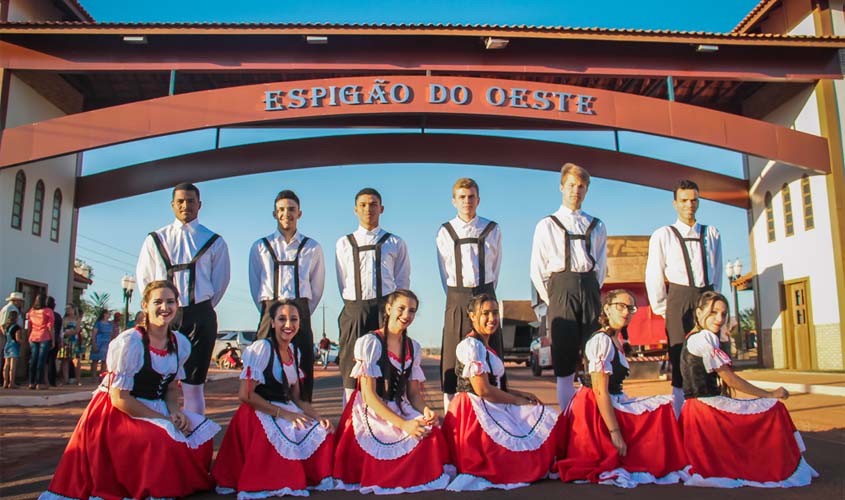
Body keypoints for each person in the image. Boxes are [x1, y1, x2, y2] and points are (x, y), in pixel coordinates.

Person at [39, 280, 220, 500]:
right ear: (145, 305)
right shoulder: (130, 342)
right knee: (161, 437)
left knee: (202, 431)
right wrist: (161, 420)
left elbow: (171, 388)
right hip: (119, 411)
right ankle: (150, 488)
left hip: (155, 405)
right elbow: (119, 398)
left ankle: (182, 485)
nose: (165, 307)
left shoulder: (179, 343)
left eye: (170, 302)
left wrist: (174, 412)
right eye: (158, 302)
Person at [680, 291, 817, 487]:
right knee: (773, 408)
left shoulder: (695, 336)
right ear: (699, 313)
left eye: (724, 314)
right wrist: (769, 394)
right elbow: (730, 378)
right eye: (713, 313)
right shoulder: (704, 337)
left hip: (697, 409)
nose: (719, 319)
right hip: (706, 409)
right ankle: (781, 465)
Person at [556, 289, 688, 487]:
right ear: (607, 309)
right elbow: (600, 391)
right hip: (595, 409)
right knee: (661, 411)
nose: (626, 312)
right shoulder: (601, 341)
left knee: (663, 403)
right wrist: (614, 432)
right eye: (621, 306)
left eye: (630, 308)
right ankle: (659, 460)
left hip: (611, 399)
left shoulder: (614, 340)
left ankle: (665, 459)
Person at [333, 289, 452, 494]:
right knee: (390, 438)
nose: (407, 315)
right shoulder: (370, 343)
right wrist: (404, 424)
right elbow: (369, 396)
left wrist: (426, 411)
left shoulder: (413, 347)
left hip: (399, 405)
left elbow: (413, 394)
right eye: (402, 308)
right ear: (388, 309)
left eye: (412, 311)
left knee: (428, 434)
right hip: (372, 409)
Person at [213, 300, 334, 496]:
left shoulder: (295, 352)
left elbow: (297, 398)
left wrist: (318, 417)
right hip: (258, 411)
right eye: (282, 319)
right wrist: (284, 414)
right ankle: (277, 479)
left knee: (322, 432)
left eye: (293, 319)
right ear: (272, 323)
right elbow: (245, 395)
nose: (288, 325)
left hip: (283, 408)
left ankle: (308, 477)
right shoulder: (262, 348)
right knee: (284, 431)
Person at [443, 293, 563, 491]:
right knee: (539, 421)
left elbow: (493, 384)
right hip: (476, 410)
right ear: (472, 316)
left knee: (543, 413)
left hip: (490, 401)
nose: (492, 319)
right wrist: (516, 401)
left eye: (495, 313)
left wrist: (520, 394)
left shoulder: (484, 345)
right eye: (485, 313)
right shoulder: (471, 345)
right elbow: (482, 390)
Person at [136, 182, 231, 415]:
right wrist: (162, 309)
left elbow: (220, 283)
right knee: (157, 383)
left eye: (190, 201)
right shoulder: (155, 239)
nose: (185, 205)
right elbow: (145, 279)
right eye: (180, 201)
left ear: (199, 204)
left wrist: (198, 306)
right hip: (162, 317)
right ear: (172, 205)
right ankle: (163, 438)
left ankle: (195, 443)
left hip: (199, 316)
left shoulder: (214, 241)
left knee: (193, 385)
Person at [530, 163, 607, 412]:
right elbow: (537, 270)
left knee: (596, 355)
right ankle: (566, 417)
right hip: (560, 290)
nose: (576, 191)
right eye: (572, 185)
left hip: (590, 287)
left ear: (587, 190)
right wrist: (554, 300)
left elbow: (601, 267)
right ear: (562, 187)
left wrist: (592, 292)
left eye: (582, 186)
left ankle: (597, 416)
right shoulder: (547, 225)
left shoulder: (597, 225)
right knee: (564, 362)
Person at [645, 179, 723, 417]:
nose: (690, 205)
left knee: (711, 358)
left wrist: (715, 302)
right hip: (678, 298)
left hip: (706, 298)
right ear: (675, 203)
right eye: (684, 200)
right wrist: (662, 307)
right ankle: (681, 417)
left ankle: (711, 413)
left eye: (694, 200)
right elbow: (654, 272)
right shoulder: (663, 234)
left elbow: (717, 268)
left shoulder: (712, 233)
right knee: (680, 361)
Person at [336, 187, 410, 403]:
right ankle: (350, 427)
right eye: (363, 205)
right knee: (352, 374)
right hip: (354, 310)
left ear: (382, 208)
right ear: (355, 209)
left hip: (385, 312)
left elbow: (402, 282)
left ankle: (388, 425)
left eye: (373, 204)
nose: (368, 209)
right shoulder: (343, 243)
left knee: (387, 371)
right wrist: (356, 307)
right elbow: (343, 280)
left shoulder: (395, 242)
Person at [249, 189, 325, 402]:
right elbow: (255, 283)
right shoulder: (260, 246)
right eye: (281, 210)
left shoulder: (312, 247)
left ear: (299, 213)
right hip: (269, 310)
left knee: (303, 364)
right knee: (261, 361)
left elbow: (317, 286)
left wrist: (300, 312)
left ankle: (304, 413)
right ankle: (264, 413)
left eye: (291, 209)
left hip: (300, 309)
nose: (286, 214)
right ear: (274, 213)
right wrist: (270, 313)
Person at [436, 177, 505, 411]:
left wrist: (485, 294)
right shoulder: (445, 231)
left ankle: (496, 414)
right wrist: (459, 298)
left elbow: (496, 266)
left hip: (485, 292)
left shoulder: (492, 228)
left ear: (478, 199)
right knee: (453, 360)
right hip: (457, 297)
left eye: (471, 197)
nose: (467, 201)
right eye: (462, 197)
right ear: (454, 201)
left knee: (491, 357)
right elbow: (443, 270)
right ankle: (452, 419)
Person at [26, 293, 54, 390]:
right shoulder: (48, 311)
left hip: (33, 337)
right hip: (44, 337)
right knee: (41, 361)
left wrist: (28, 336)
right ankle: (39, 382)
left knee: (33, 360)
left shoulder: (31, 311)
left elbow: (29, 326)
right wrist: (53, 340)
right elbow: (50, 327)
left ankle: (31, 382)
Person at [0, 291, 24, 386]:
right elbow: (2, 324)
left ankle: (5, 381)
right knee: (12, 364)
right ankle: (11, 382)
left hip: (7, 339)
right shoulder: (11, 309)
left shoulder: (7, 308)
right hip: (11, 340)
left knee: (6, 362)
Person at [59, 305, 83, 386]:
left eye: (69, 308)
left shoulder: (77, 319)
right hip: (65, 341)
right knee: (65, 360)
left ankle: (78, 380)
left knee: (76, 360)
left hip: (74, 340)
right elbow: (61, 329)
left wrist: (69, 332)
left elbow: (77, 330)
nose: (67, 310)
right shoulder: (64, 319)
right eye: (66, 309)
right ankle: (65, 379)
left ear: (73, 309)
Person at [90, 310, 113, 377]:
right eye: (108, 314)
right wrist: (94, 343)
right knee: (95, 360)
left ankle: (102, 376)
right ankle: (93, 376)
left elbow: (111, 334)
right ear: (104, 314)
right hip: (99, 342)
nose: (109, 315)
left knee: (104, 361)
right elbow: (94, 334)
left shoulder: (110, 324)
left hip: (107, 343)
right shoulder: (98, 323)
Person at [45, 297, 62, 386]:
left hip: (45, 338)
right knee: (52, 360)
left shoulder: (43, 314)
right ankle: (51, 380)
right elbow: (59, 330)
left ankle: (42, 379)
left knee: (44, 360)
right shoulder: (58, 316)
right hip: (54, 338)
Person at [2, 310, 21, 388]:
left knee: (6, 364)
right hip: (14, 346)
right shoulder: (17, 327)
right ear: (16, 318)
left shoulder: (6, 326)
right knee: (12, 366)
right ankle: (12, 382)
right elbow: (17, 338)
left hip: (7, 344)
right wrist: (22, 342)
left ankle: (5, 382)